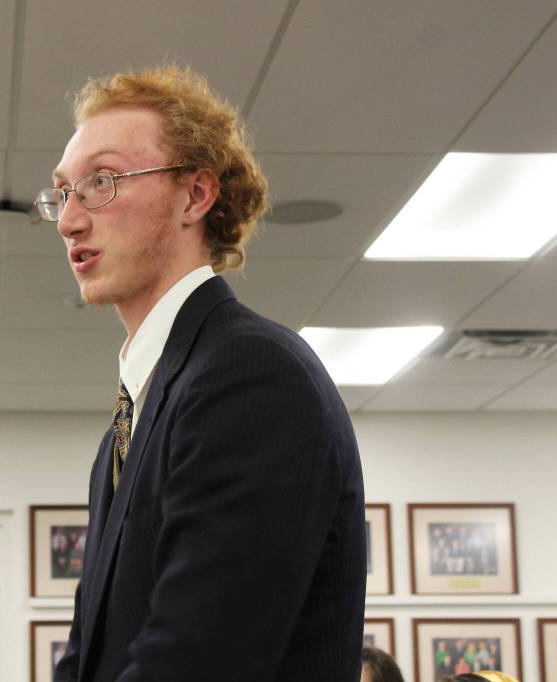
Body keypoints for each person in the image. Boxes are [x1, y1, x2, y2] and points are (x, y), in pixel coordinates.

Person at [37, 65, 366, 681]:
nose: (68, 221)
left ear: (195, 195)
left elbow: (199, 657)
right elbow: (88, 654)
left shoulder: (250, 373)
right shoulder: (131, 420)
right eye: (62, 192)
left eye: (102, 181)